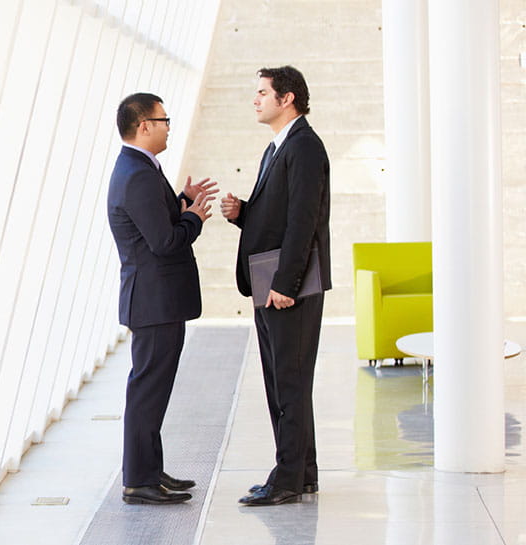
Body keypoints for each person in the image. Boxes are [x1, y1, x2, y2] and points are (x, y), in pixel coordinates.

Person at [220, 66, 332, 506]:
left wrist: (287, 283)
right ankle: (301, 472)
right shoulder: (277, 148)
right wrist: (243, 213)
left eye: (262, 92)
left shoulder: (304, 146)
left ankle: (286, 479)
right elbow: (280, 216)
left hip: (289, 286)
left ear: (287, 99)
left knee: (289, 380)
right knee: (284, 380)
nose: (256, 99)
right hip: (270, 280)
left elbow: (304, 220)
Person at [107, 92, 216, 505]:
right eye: (163, 119)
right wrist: (193, 217)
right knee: (147, 389)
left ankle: (150, 471)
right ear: (144, 126)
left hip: (157, 299)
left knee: (152, 388)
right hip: (154, 301)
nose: (169, 125)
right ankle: (139, 479)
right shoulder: (136, 173)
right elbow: (165, 242)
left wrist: (180, 202)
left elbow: (156, 222)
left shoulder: (142, 169)